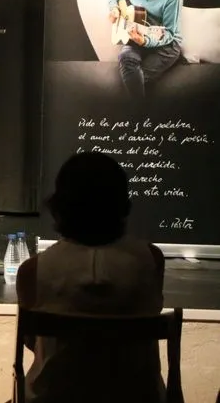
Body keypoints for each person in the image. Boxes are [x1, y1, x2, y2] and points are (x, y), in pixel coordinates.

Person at [16, 152, 166, 403]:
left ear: (60, 207)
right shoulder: (151, 260)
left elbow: (35, 343)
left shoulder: (33, 271)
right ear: (123, 205)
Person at [107, 0, 182, 98]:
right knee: (125, 56)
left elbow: (169, 33)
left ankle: (137, 115)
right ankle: (140, 114)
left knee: (133, 79)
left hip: (166, 45)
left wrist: (146, 41)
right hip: (137, 39)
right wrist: (114, 9)